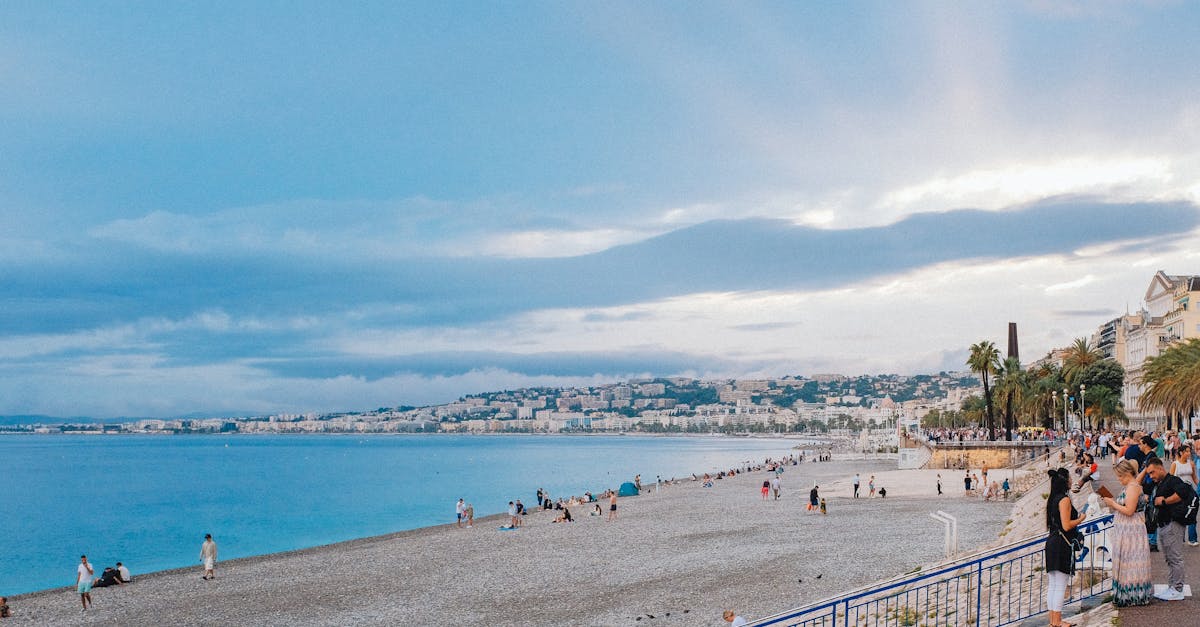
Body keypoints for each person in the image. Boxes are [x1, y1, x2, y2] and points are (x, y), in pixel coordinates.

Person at [1099, 459, 1153, 607]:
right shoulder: (1130, 486)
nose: (1119, 479)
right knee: (1127, 561)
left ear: (1128, 473)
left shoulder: (1133, 487)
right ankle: (1127, 593)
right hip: (1127, 530)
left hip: (1132, 531)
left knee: (1131, 561)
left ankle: (1132, 595)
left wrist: (1112, 503)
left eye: (1120, 476)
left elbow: (1129, 510)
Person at [1145, 457, 1189, 601]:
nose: (1151, 476)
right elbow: (1141, 485)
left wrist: (1164, 501)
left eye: (1152, 472)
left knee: (1175, 558)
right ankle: (1172, 587)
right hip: (1164, 525)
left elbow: (1183, 493)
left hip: (1173, 524)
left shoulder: (1173, 480)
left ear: (1160, 468)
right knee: (1170, 558)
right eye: (1149, 473)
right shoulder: (1158, 483)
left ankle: (1177, 589)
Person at [1044, 468, 1084, 627]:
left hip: (1052, 542)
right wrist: (1081, 518)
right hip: (1062, 544)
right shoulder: (1064, 500)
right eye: (1070, 478)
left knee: (1053, 585)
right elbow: (1066, 525)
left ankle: (1053, 621)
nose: (1071, 480)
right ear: (1065, 481)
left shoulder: (1052, 499)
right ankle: (1058, 621)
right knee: (1060, 585)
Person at [1169, 447, 1199, 545]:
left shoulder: (1191, 463)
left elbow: (1194, 477)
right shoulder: (1175, 464)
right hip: (1179, 493)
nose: (1189, 453)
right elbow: (1170, 479)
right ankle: (1179, 538)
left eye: (1189, 451)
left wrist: (1199, 486)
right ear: (1181, 452)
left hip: (1190, 492)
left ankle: (1192, 539)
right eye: (1187, 451)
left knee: (1192, 514)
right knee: (1180, 515)